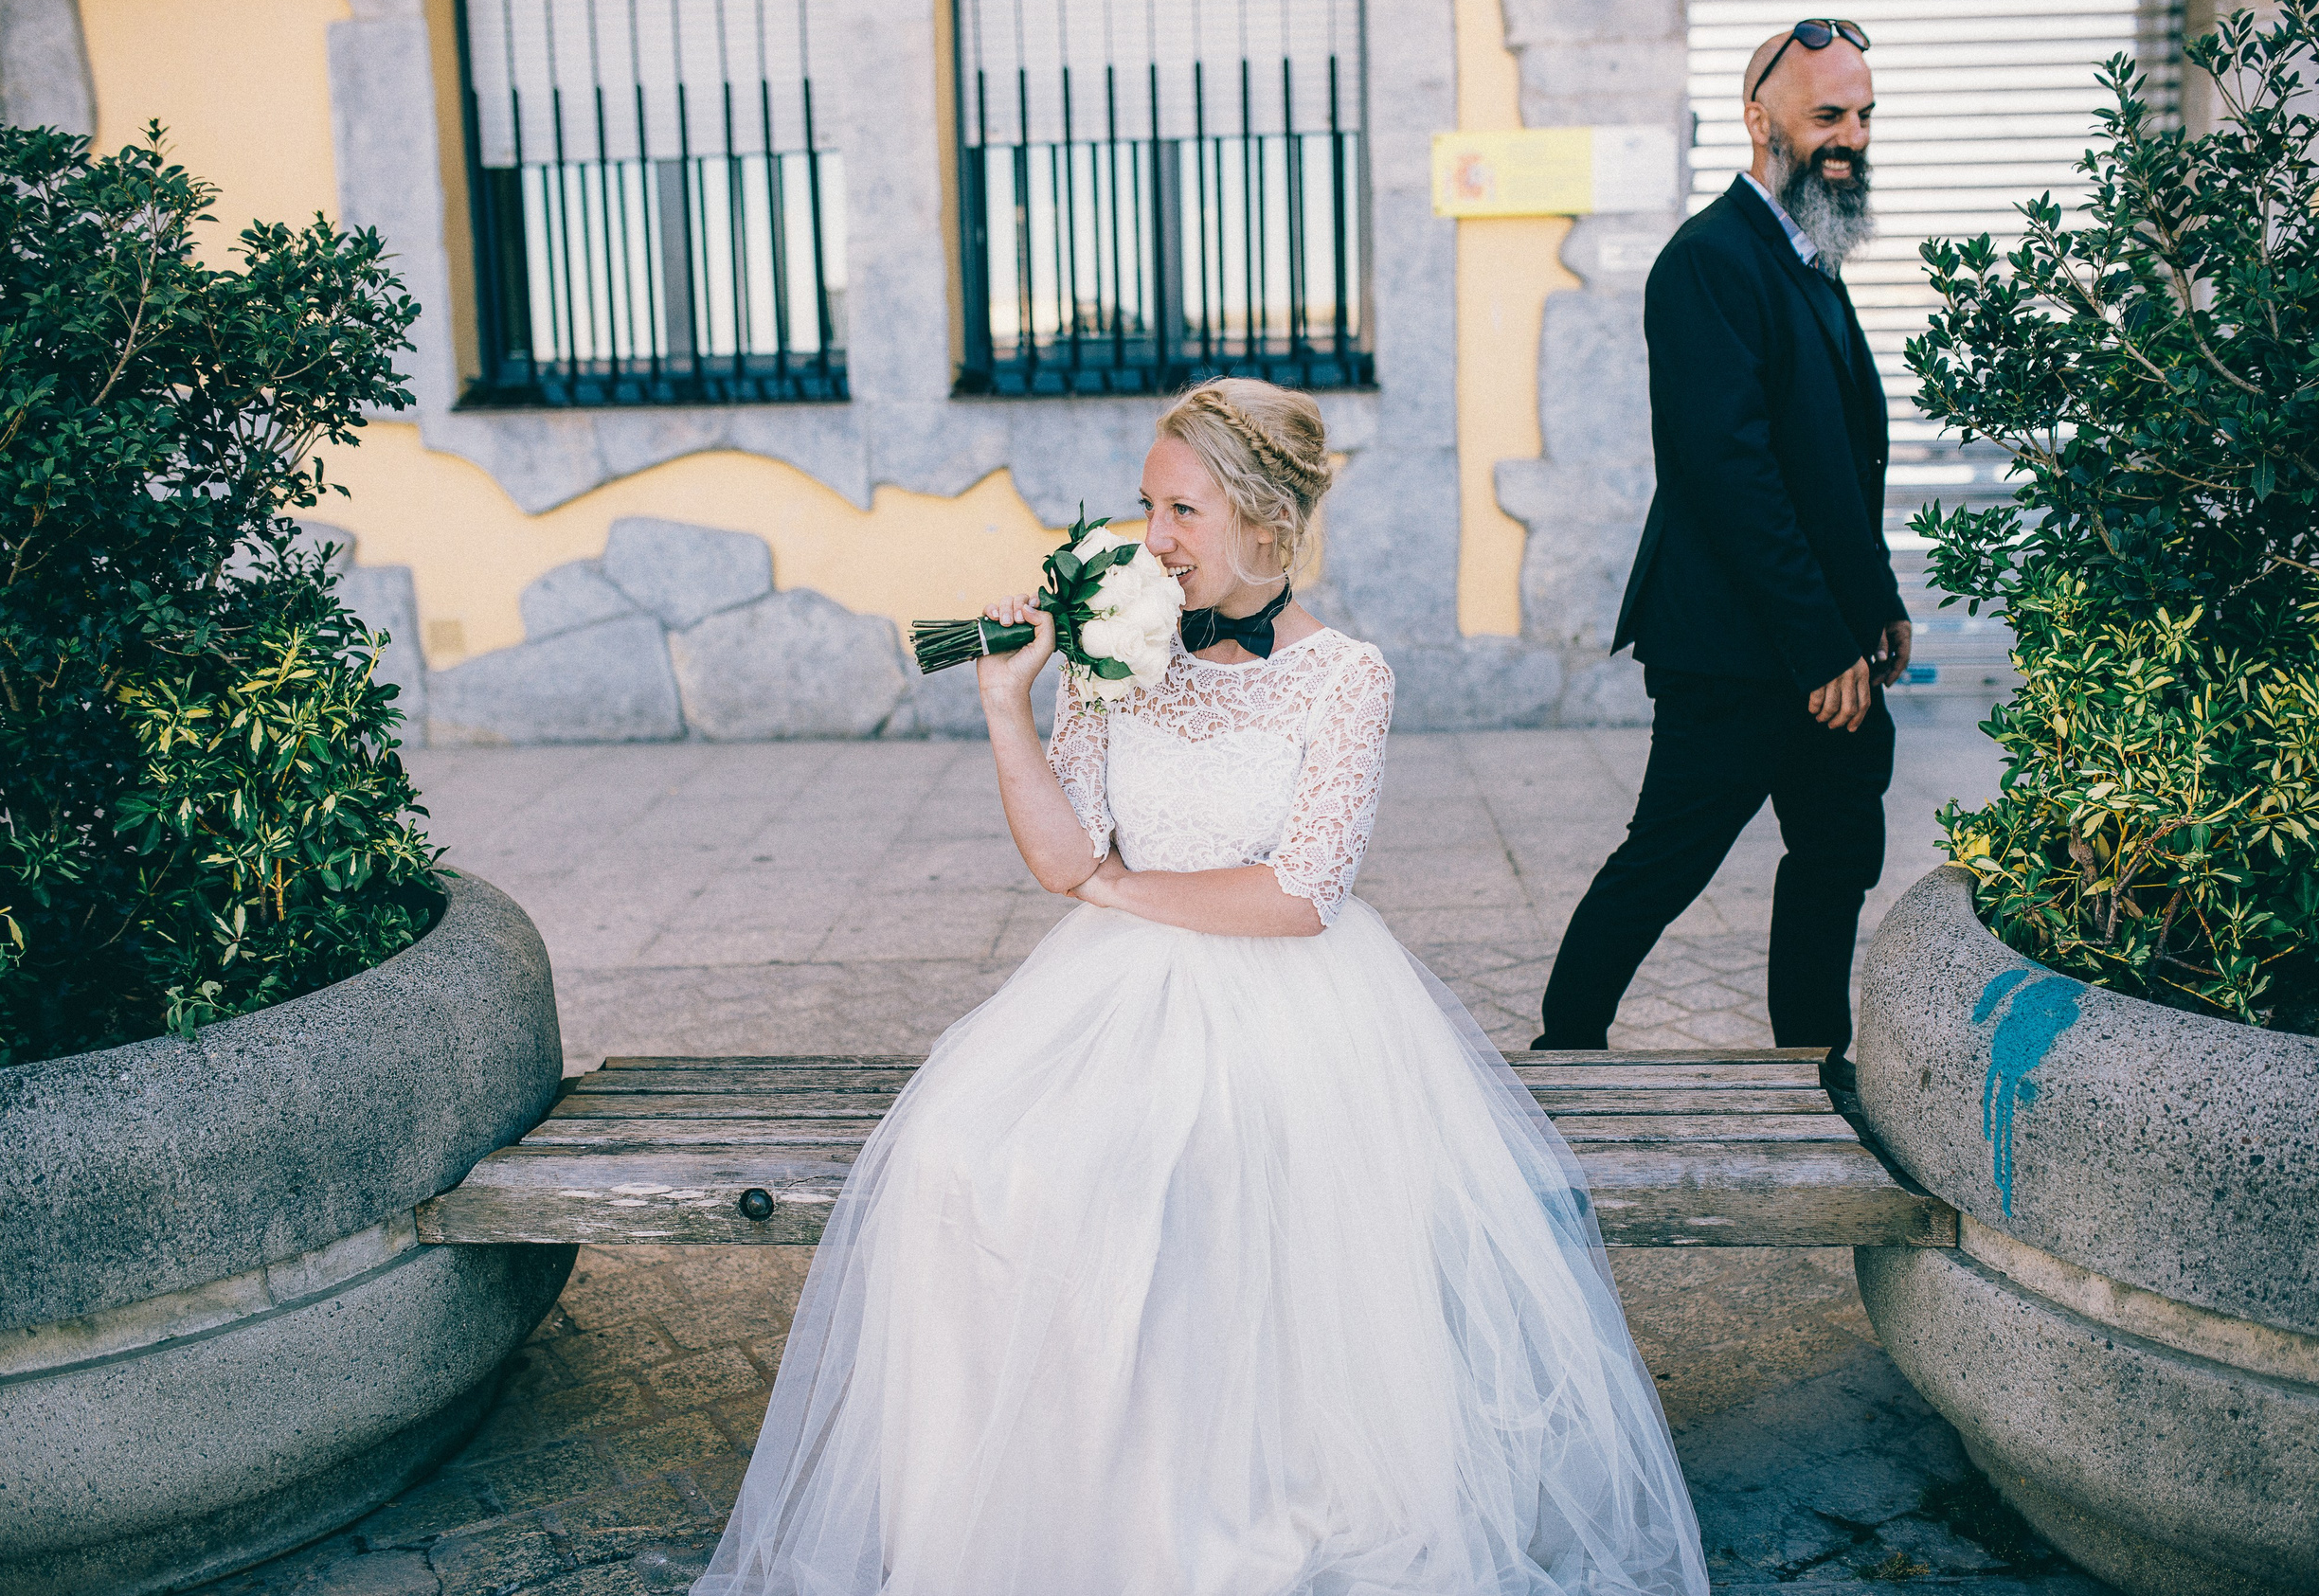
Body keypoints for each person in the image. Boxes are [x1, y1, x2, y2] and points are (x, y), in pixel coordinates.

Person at [694, 379, 1709, 1596]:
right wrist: (1005, 699)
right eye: (1146, 506)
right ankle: (1037, 1507)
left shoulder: (1347, 676)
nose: (1152, 538)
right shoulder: (1116, 655)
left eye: (1182, 510)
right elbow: (1062, 858)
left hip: (1289, 1002)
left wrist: (1119, 887)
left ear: (1267, 519)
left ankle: (1199, 1508)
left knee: (1173, 1181)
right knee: (962, 1158)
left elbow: (1301, 894)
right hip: (1112, 989)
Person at [1536, 22, 1911, 1082]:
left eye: (1863, 115)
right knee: (1668, 859)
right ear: (1759, 119)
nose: (1851, 136)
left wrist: (1876, 600)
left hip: (1821, 634)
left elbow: (1833, 459)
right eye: (1828, 114)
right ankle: (1565, 1049)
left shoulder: (1808, 252)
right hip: (1734, 648)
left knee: (1837, 851)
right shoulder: (1706, 261)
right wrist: (1819, 646)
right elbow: (1730, 474)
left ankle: (1813, 1060)